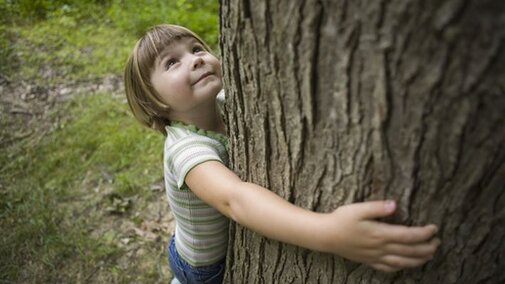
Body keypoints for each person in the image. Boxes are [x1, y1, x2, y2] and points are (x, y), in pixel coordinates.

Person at [124, 24, 440, 284]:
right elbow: (236, 199)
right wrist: (329, 232)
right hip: (204, 268)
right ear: (154, 103)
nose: (195, 60)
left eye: (196, 49)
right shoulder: (186, 150)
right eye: (172, 62)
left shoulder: (224, 99)